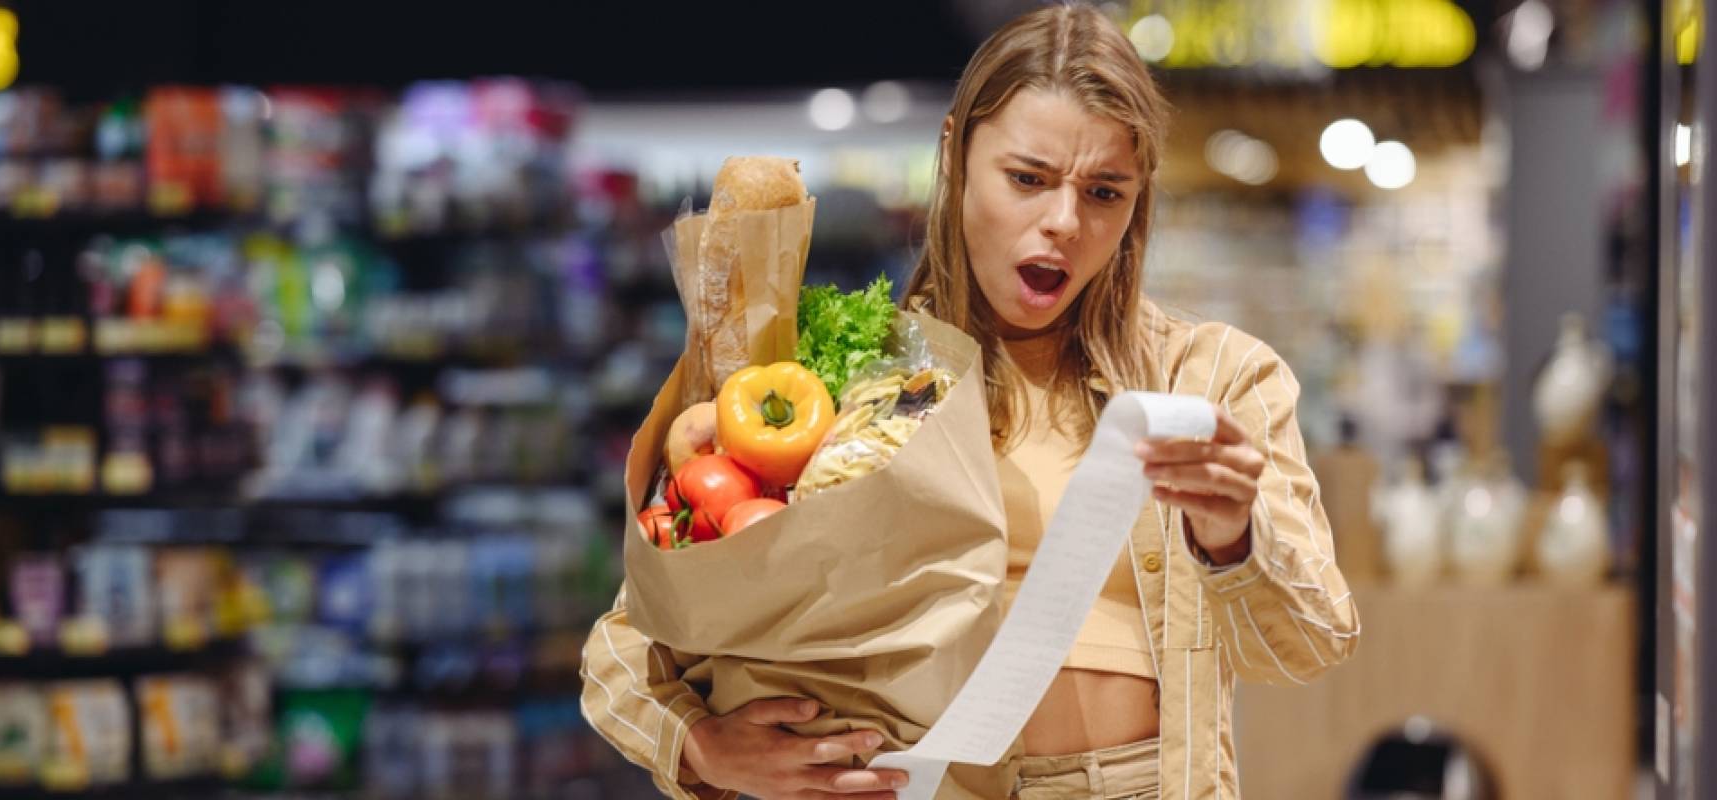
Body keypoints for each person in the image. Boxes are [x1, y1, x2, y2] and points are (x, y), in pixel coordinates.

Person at [581, 4, 1360, 798]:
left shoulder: (1213, 382)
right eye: (1027, 179)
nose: (1064, 221)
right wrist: (698, 748)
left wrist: (1232, 537)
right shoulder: (852, 374)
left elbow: (1311, 641)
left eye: (1104, 191)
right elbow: (626, 642)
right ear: (954, 152)